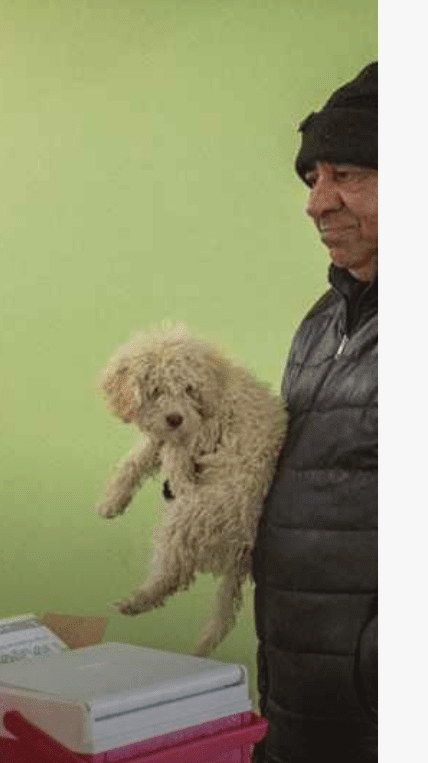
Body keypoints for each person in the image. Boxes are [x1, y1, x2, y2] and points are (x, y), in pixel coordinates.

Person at [252, 62, 377, 763]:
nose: (317, 202)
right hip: (297, 702)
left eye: (349, 174)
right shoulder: (324, 318)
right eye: (312, 178)